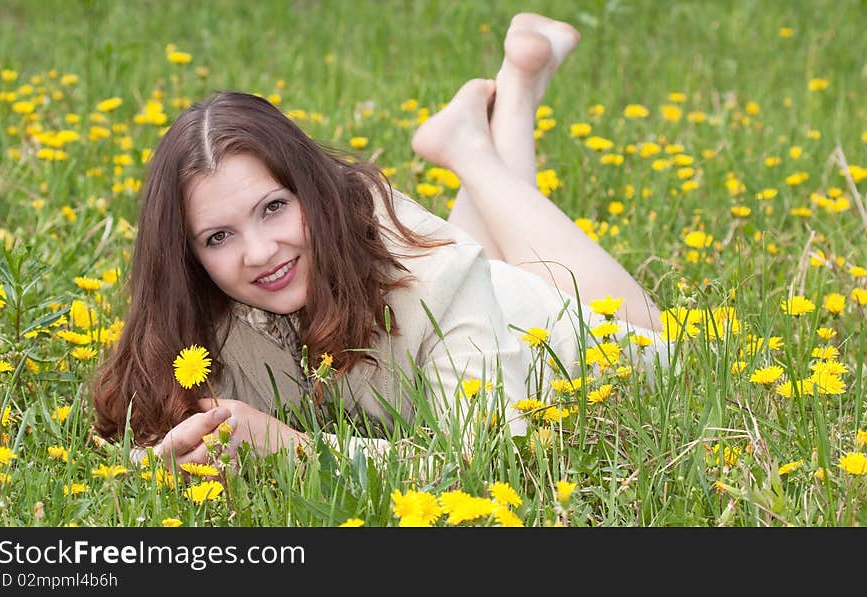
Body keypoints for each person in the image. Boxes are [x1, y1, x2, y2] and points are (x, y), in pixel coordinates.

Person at [92, 13, 667, 469]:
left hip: (562, 334)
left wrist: (294, 449)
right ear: (187, 255)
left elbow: (487, 461)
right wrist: (162, 457)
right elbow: (138, 432)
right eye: (218, 236)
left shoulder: (438, 276)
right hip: (474, 296)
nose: (260, 252)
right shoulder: (208, 314)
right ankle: (502, 101)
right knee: (475, 265)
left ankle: (473, 144)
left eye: (274, 207)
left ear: (311, 192)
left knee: (654, 336)